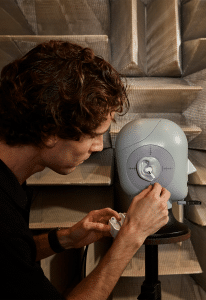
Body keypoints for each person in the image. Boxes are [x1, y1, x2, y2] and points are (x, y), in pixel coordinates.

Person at [0, 40, 170, 300]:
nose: (99, 147)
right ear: (50, 132)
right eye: (94, 135)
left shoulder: (10, 180)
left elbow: (13, 261)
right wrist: (131, 236)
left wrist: (65, 238)